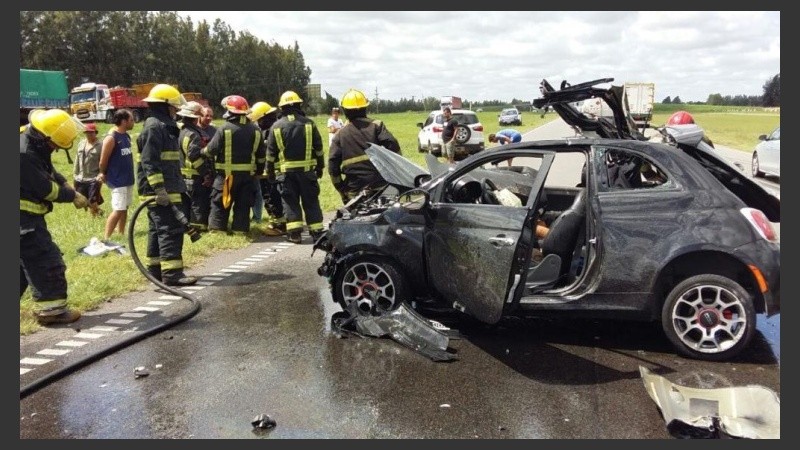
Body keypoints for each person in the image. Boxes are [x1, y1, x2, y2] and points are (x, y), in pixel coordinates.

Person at [21, 109, 89, 325]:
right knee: (45, 260)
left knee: (21, 266)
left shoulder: (31, 141)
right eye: (55, 146)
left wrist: (68, 185)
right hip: (23, 221)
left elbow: (49, 170)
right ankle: (52, 312)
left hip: (26, 218)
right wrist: (72, 196)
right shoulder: (23, 154)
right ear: (46, 137)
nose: (57, 150)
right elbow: (45, 189)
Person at [136, 83, 197, 286]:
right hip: (162, 190)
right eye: (173, 107)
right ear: (165, 106)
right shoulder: (155, 126)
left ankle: (155, 271)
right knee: (170, 230)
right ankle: (172, 274)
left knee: (158, 230)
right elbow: (149, 161)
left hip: (166, 188)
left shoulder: (161, 126)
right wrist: (160, 189)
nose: (176, 111)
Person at [266, 90, 325, 244]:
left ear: (282, 108)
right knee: (311, 201)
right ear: (299, 105)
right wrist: (320, 167)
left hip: (286, 175)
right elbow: (318, 148)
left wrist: (270, 172)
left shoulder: (276, 127)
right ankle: (317, 232)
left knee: (290, 202)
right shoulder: (309, 124)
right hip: (307, 173)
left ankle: (294, 234)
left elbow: (270, 154)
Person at [204, 95, 265, 234]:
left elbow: (211, 150)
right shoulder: (256, 130)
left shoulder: (224, 128)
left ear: (230, 111)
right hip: (248, 177)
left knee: (220, 203)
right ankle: (240, 230)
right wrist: (259, 172)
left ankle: (217, 230)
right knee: (243, 204)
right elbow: (261, 156)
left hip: (226, 177)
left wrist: (201, 152)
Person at [329, 88, 401, 202]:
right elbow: (393, 147)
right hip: (381, 186)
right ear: (365, 108)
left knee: (355, 218)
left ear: (344, 110)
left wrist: (342, 189)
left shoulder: (339, 135)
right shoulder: (376, 126)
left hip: (354, 190)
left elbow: (333, 167)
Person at [97, 109, 135, 242]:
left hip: (128, 179)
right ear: (124, 121)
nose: (133, 122)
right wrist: (102, 173)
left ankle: (121, 233)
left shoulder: (127, 136)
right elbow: (103, 160)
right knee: (118, 209)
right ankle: (106, 238)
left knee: (124, 207)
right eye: (131, 120)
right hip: (117, 180)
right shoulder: (111, 138)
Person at [247, 101, 284, 236]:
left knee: (272, 197)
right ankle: (277, 221)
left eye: (259, 120)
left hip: (270, 171)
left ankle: (278, 225)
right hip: (274, 170)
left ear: (264, 117)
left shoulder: (270, 131)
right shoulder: (274, 128)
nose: (257, 123)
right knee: (274, 197)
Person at [176, 101, 214, 232]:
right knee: (199, 203)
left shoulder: (182, 131)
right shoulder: (194, 135)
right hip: (195, 175)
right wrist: (206, 174)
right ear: (196, 117)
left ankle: (186, 228)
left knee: (186, 203)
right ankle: (199, 229)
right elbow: (194, 157)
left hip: (183, 175)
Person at [72, 122, 104, 217]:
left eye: (91, 132)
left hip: (94, 178)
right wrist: (75, 173)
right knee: (82, 201)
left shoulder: (101, 145)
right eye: (87, 132)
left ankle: (95, 219)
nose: (88, 134)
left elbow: (104, 161)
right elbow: (77, 159)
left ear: (96, 132)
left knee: (92, 200)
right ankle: (99, 212)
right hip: (80, 177)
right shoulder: (81, 143)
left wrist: (101, 174)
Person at [193, 105, 217, 230]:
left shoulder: (214, 131)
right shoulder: (195, 131)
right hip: (198, 171)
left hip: (212, 169)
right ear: (199, 116)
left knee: (211, 197)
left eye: (211, 116)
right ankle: (199, 225)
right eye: (206, 115)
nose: (209, 118)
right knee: (199, 201)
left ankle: (208, 222)